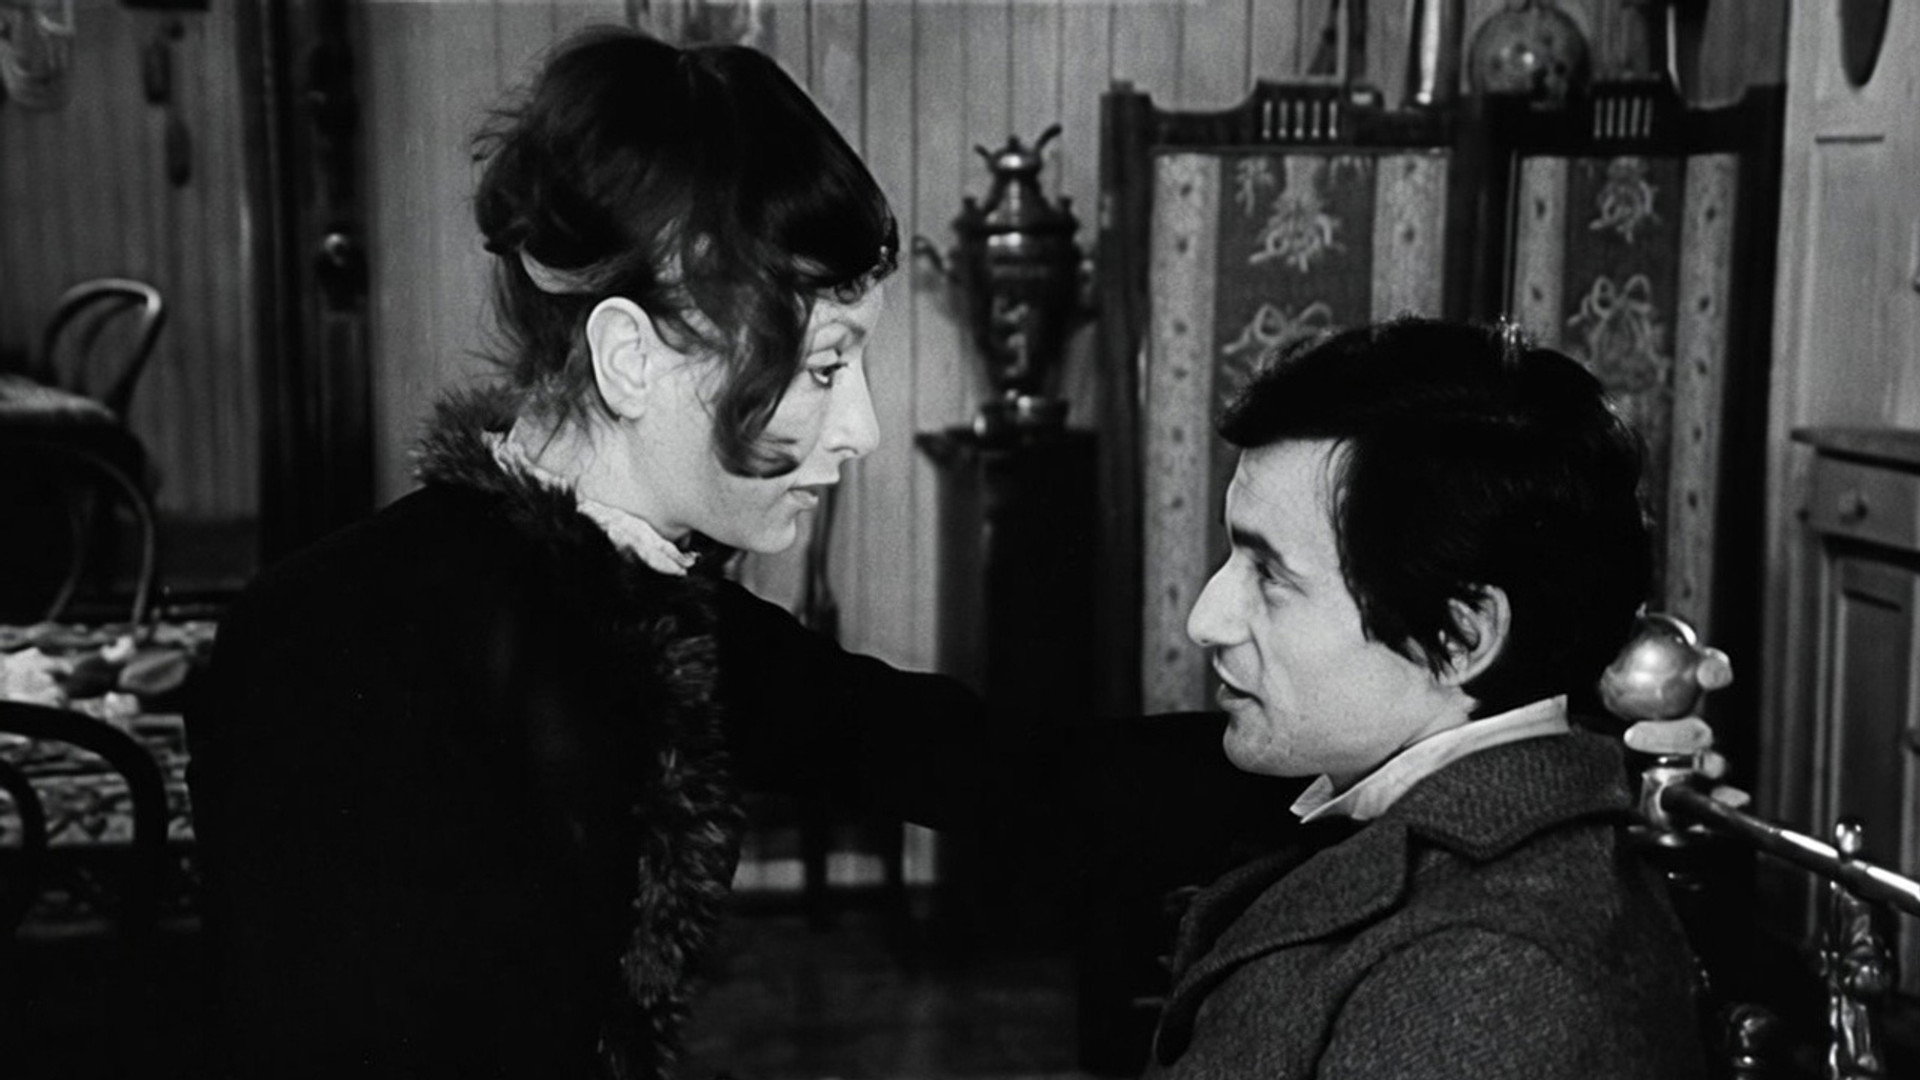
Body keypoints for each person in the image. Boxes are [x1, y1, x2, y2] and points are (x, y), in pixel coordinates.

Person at [189, 26, 1284, 1080]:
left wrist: (1332, 758)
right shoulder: (338, 643)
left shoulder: (640, 605)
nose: (860, 428)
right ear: (630, 358)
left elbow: (994, 767)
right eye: (824, 367)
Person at [1147, 318, 1709, 1080]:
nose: (1205, 620)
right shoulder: (1430, 820)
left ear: (1459, 636)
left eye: (1270, 574)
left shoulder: (1490, 977)